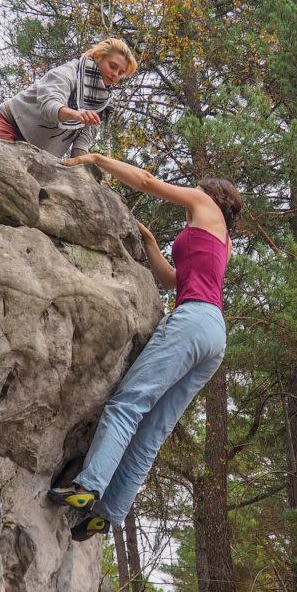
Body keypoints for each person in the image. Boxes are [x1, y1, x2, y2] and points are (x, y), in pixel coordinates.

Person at [47, 153, 243, 541]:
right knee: (153, 428)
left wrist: (99, 159)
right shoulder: (224, 241)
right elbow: (172, 280)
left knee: (128, 404)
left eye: (199, 189)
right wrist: (152, 240)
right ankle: (110, 511)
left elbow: (149, 183)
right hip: (214, 334)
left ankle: (88, 487)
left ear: (210, 194)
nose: (194, 192)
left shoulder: (203, 204)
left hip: (192, 320)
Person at [0, 38, 137, 159]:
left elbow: (82, 144)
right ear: (99, 58)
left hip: (38, 154)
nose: (115, 74)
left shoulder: (102, 103)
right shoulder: (69, 73)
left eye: (120, 72)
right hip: (6, 124)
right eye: (113, 66)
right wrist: (76, 115)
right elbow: (49, 106)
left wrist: (81, 172)